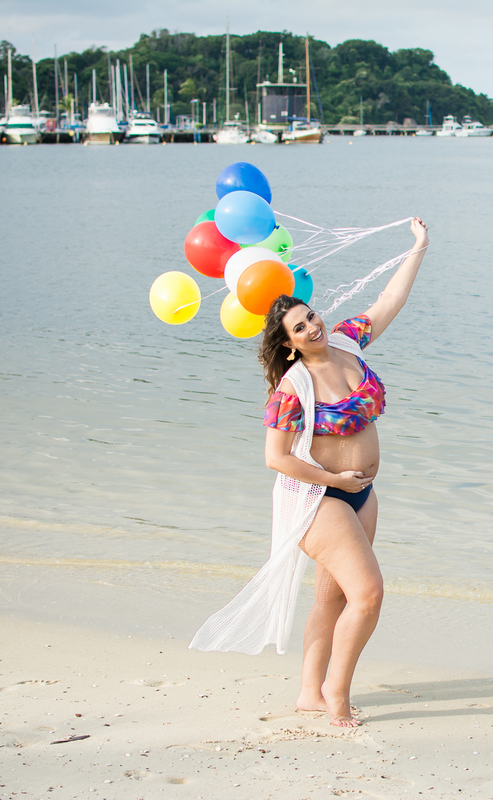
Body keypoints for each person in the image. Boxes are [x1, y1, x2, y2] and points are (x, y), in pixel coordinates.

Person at [190, 218, 429, 727]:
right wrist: (335, 482)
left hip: (361, 495)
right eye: (300, 327)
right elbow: (276, 458)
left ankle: (307, 692)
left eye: (311, 316)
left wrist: (418, 249)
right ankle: (337, 695)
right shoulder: (292, 388)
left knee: (332, 597)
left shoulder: (350, 343)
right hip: (319, 499)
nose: (313, 326)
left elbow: (389, 303)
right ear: (290, 344)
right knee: (368, 595)